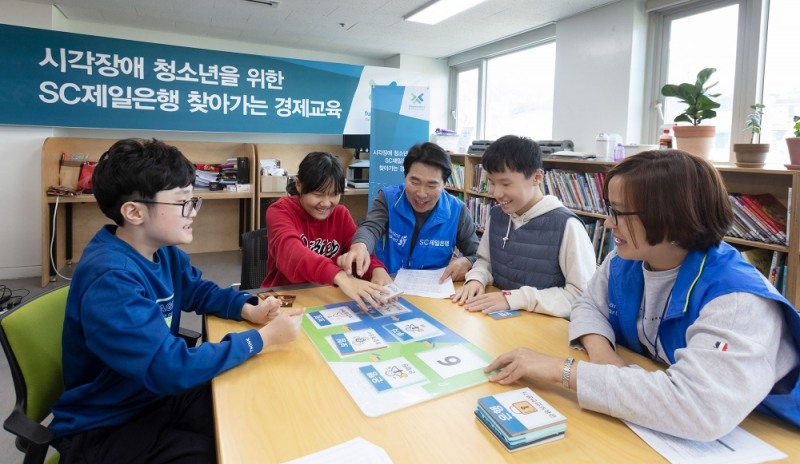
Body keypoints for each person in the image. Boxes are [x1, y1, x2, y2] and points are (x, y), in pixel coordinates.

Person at [484, 149, 800, 440]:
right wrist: (602, 354)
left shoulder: (737, 300)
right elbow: (588, 305)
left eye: (619, 213)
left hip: (767, 429)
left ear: (670, 216)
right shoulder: (624, 260)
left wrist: (561, 370)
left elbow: (700, 410)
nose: (608, 223)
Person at [49, 138, 304, 463]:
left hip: (148, 394)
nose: (193, 212)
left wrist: (247, 309)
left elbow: (199, 290)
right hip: (105, 423)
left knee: (245, 410)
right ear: (134, 212)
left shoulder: (161, 250)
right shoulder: (111, 279)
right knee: (217, 451)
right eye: (183, 202)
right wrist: (260, 339)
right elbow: (168, 367)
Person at [452, 135, 596, 317]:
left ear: (536, 177)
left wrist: (515, 298)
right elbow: (485, 261)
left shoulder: (567, 226)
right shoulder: (497, 215)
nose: (495, 192)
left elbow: (581, 297)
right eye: (491, 182)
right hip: (501, 319)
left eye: (505, 183)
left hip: (545, 328)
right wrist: (476, 279)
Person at [262, 151, 392, 309]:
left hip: (326, 295)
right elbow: (292, 254)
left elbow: (357, 253)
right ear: (299, 185)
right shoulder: (280, 211)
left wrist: (375, 268)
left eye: (334, 194)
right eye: (318, 195)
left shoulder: (340, 214)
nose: (326, 203)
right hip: (284, 297)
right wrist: (339, 276)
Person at [339, 142, 479, 283]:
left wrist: (467, 262)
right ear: (405, 177)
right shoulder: (389, 198)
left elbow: (476, 255)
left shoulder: (457, 211)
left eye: (431, 185)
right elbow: (370, 228)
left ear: (445, 184)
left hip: (433, 291)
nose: (421, 194)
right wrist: (360, 246)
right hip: (389, 282)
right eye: (415, 182)